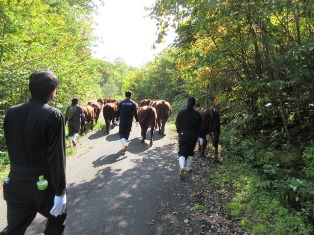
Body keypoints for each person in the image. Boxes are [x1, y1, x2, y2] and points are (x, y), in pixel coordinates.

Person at [1, 70, 67, 235]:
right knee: (57, 218)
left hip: (15, 182)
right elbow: (57, 157)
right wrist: (60, 192)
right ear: (52, 92)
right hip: (42, 185)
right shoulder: (53, 115)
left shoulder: (11, 112)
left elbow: (11, 144)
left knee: (14, 229)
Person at [175, 96, 204, 178]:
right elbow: (200, 127)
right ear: (194, 104)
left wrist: (179, 131)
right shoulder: (197, 114)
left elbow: (177, 123)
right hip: (193, 136)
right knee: (190, 151)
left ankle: (182, 167)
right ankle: (188, 167)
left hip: (183, 134)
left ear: (187, 102)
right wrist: (201, 137)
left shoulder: (181, 112)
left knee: (182, 152)